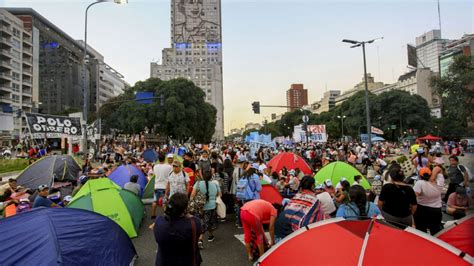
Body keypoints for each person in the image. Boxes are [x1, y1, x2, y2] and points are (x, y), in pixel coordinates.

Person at [153, 193, 202, 266]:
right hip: (187, 261)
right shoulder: (194, 223)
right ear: (185, 209)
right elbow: (198, 236)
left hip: (164, 262)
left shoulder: (159, 221)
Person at [275, 176, 325, 241]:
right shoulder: (315, 201)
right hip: (296, 232)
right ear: (312, 186)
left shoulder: (296, 196)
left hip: (280, 226)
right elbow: (318, 219)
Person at [191, 172, 221, 248]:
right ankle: (206, 237)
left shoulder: (197, 183)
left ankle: (202, 238)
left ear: (203, 176)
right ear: (211, 177)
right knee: (210, 221)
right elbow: (219, 194)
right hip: (211, 206)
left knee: (202, 222)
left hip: (200, 206)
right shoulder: (215, 184)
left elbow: (192, 195)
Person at [413, 167, 443, 235]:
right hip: (436, 210)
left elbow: (413, 197)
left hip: (422, 209)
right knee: (435, 231)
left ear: (420, 176)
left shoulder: (420, 183)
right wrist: (433, 177)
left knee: (421, 231)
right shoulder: (440, 181)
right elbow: (438, 168)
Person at [151, 153, 173, 219]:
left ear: (158, 159)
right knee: (164, 202)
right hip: (165, 187)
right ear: (165, 159)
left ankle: (153, 215)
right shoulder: (169, 167)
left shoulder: (155, 166)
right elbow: (171, 175)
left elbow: (154, 175)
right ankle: (166, 215)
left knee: (155, 201)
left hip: (156, 186)